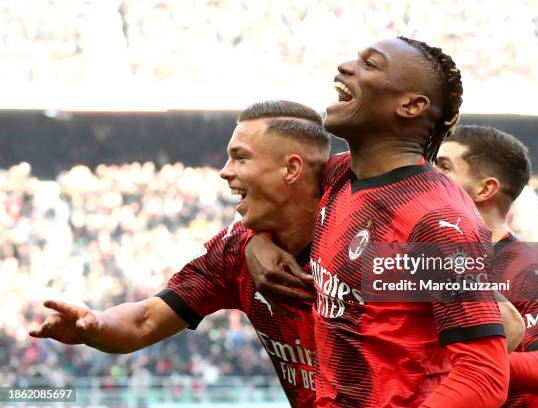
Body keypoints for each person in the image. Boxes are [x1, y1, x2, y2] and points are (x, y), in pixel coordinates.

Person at [247, 37, 510, 407]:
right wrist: (255, 242)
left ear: (411, 105)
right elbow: (265, 200)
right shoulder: (336, 175)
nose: (345, 66)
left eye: (370, 64)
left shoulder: (437, 220)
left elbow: (483, 375)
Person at [29, 100, 330, 408]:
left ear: (292, 168)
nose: (224, 172)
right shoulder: (232, 251)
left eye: (240, 158)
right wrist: (96, 326)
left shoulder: (363, 239)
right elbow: (144, 320)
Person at [436, 125, 538, 407]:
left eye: (444, 167)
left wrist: (470, 363)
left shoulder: (532, 271)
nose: (431, 175)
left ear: (485, 188)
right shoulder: (426, 257)